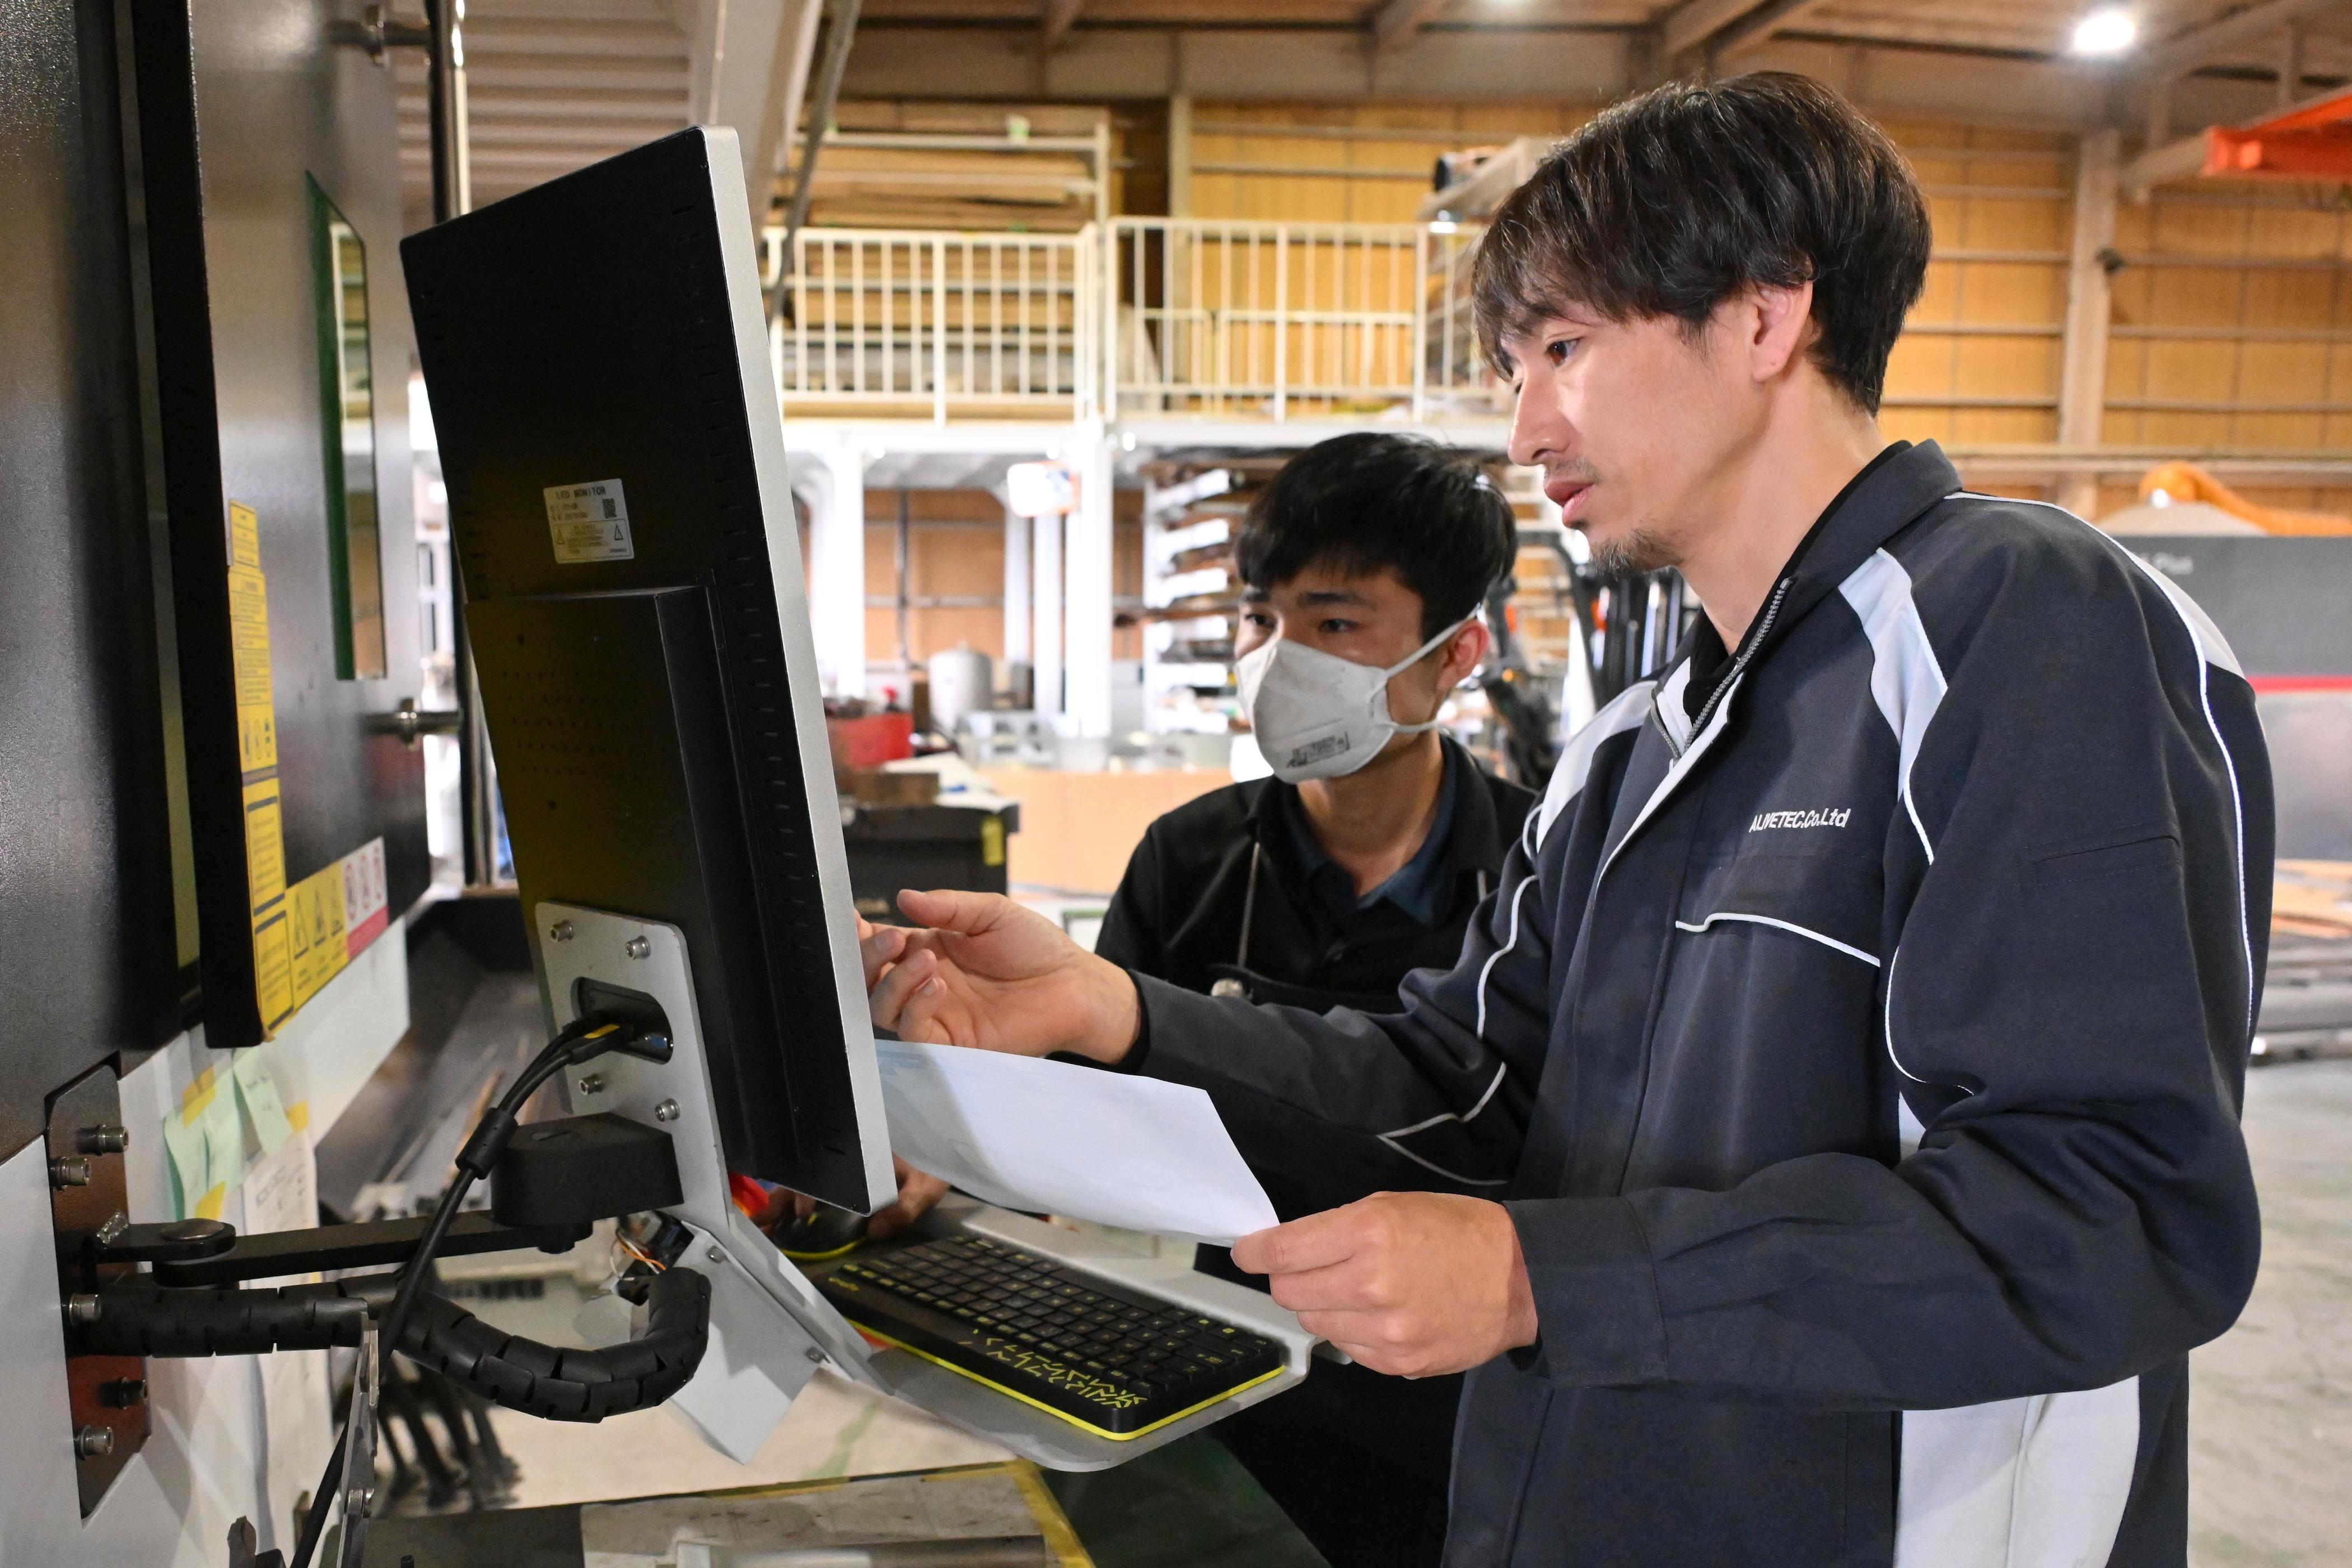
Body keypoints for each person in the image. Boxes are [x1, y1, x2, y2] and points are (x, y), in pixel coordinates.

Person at [860, 73, 2269, 1565]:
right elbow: (1466, 1087)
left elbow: (2113, 1214)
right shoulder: (1631, 750)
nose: (1527, 425)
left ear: (1763, 314)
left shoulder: (2023, 627)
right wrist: (1118, 1011)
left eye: (1564, 349)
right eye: (1512, 367)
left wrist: (1548, 1279)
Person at [1094, 431, 1533, 1567]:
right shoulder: (1188, 862)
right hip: (1229, 1381)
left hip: (1463, 1411)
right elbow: (1089, 1111)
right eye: (1261, 619)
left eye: (1334, 625)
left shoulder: (1539, 877)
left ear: (1457, 652)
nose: (1278, 660)